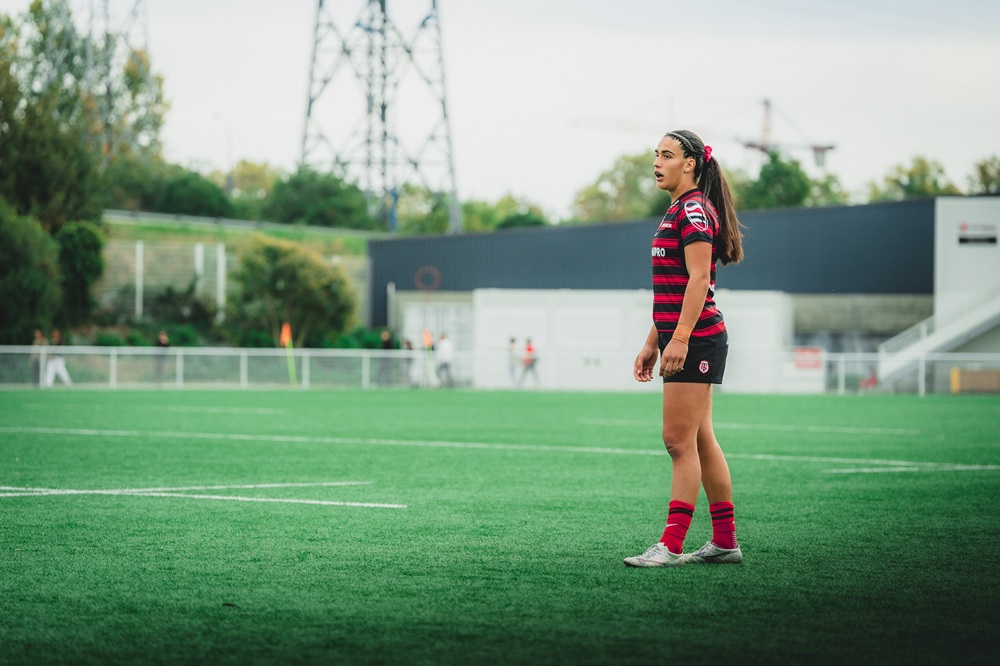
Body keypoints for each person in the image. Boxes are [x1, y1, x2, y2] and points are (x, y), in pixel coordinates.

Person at [624, 130, 746, 568]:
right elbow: (672, 289)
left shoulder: (693, 210)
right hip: (686, 336)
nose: (658, 162)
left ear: (691, 163)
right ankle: (725, 541)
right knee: (699, 438)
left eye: (668, 155)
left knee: (677, 440)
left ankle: (672, 545)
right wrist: (652, 341)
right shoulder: (678, 209)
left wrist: (678, 339)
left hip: (696, 338)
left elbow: (699, 282)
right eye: (656, 154)